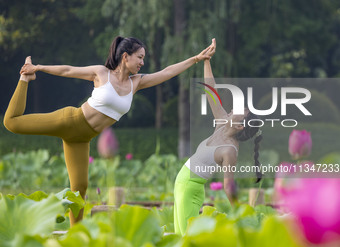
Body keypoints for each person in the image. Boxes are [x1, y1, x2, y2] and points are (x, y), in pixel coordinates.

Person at [3, 36, 214, 226]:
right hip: (70, 121)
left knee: (80, 188)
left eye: (143, 59)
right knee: (11, 123)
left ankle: (76, 235)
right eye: (139, 57)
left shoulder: (136, 83)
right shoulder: (101, 73)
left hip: (82, 139)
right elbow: (68, 70)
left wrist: (196, 58)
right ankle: (24, 79)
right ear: (125, 56)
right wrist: (37, 68)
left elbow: (167, 72)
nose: (142, 62)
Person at [173, 39, 263, 236]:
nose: (233, 108)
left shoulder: (230, 150)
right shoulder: (222, 122)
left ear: (240, 125)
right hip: (181, 185)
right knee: (179, 238)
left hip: (190, 189)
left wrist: (240, 212)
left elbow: (228, 185)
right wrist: (206, 60)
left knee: (184, 240)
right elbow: (210, 89)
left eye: (240, 111)